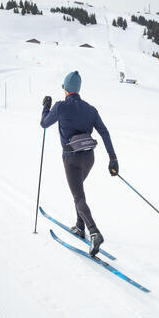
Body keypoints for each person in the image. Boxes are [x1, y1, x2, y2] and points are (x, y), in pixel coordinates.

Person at [40, 70, 118, 256]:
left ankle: (94, 232)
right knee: (79, 191)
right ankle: (79, 226)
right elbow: (104, 132)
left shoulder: (60, 107)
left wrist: (45, 106)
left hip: (71, 159)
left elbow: (44, 123)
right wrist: (113, 158)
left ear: (66, 89)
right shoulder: (91, 109)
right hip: (89, 158)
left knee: (78, 197)